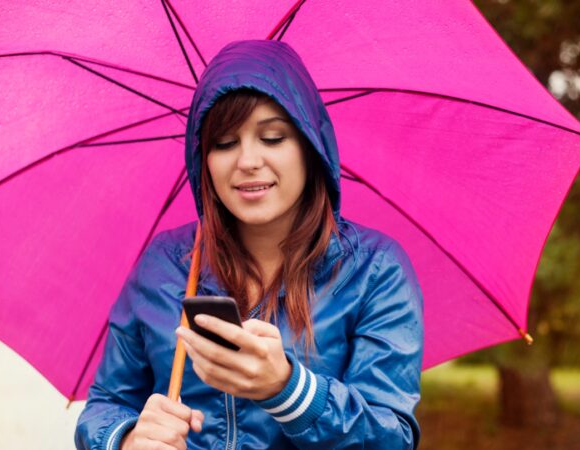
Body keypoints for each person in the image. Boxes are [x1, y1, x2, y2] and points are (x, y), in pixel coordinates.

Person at [74, 39, 424, 450]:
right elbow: (107, 404)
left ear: (309, 147)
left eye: (273, 138)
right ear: (202, 158)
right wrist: (128, 438)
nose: (247, 161)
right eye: (224, 143)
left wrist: (288, 389)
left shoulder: (375, 270)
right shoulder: (165, 264)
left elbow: (391, 437)